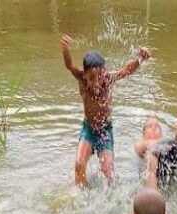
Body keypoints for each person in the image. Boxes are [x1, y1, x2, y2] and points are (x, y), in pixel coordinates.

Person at [61, 34, 151, 187]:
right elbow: (69, 65)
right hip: (88, 129)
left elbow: (125, 71)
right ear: (85, 73)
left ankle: (111, 200)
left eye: (99, 76)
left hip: (105, 131)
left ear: (104, 72)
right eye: (92, 78)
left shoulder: (108, 79)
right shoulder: (81, 78)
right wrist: (65, 49)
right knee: (79, 164)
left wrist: (140, 59)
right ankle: (81, 197)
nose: (96, 83)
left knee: (108, 172)